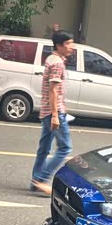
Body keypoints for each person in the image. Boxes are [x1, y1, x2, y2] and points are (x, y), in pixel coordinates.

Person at [30, 31, 74, 196]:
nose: (71, 47)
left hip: (47, 110)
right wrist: (56, 115)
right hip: (53, 112)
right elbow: (53, 90)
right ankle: (40, 180)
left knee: (44, 148)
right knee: (65, 147)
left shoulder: (51, 59)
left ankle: (36, 180)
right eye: (68, 44)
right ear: (59, 46)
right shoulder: (57, 63)